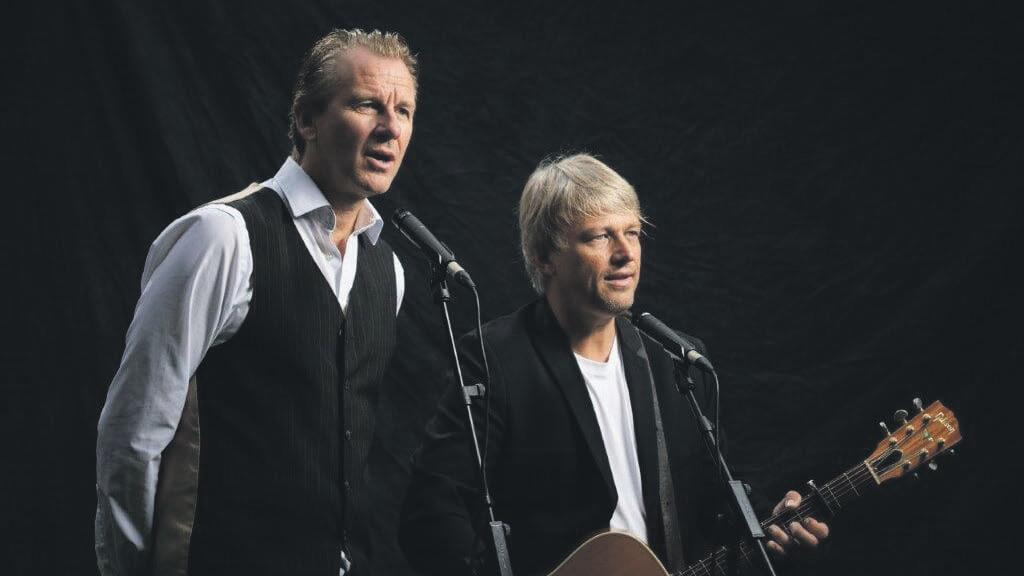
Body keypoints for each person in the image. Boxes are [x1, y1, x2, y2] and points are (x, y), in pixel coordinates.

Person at [399, 154, 829, 575]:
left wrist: (768, 522)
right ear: (544, 256)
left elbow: (715, 503)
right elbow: (430, 514)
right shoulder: (495, 358)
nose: (626, 253)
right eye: (599, 237)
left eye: (633, 233)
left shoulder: (675, 360)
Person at [95, 29, 418, 576]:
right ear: (306, 119)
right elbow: (134, 430)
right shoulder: (224, 236)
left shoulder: (388, 270)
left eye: (404, 110)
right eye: (367, 105)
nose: (390, 127)